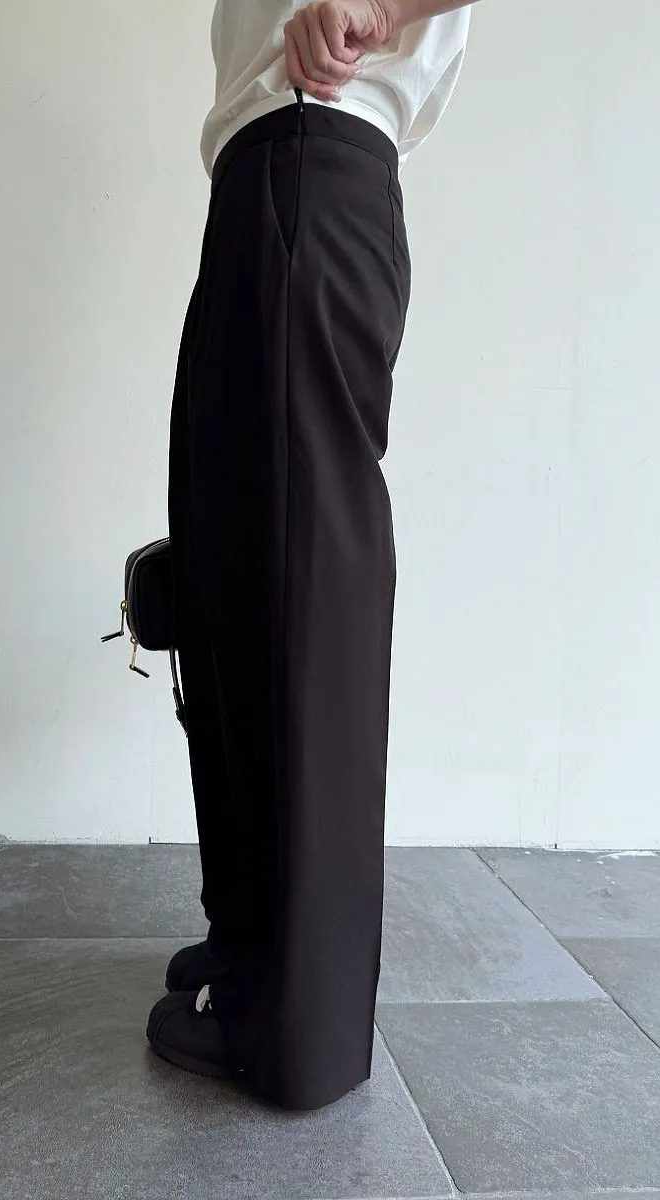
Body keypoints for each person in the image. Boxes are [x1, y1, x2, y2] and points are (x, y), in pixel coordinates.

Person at [145, 0, 475, 1112]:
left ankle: (300, 1033)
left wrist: (375, 8)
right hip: (265, 179)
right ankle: (252, 945)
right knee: (229, 584)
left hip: (310, 156)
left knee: (301, 598)